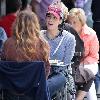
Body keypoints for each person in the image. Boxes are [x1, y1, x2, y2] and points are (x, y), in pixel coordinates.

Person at [1, 11, 51, 79]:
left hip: (12, 86)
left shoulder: (8, 43)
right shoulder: (43, 44)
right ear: (35, 25)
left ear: (16, 24)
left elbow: (4, 67)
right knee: (61, 77)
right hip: (35, 87)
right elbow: (46, 70)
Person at [41, 5, 76, 98]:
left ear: (60, 21)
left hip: (59, 73)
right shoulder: (38, 36)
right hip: (41, 73)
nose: (50, 20)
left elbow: (66, 63)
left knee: (52, 82)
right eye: (48, 16)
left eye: (54, 17)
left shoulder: (69, 38)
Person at [68, 8, 99, 100]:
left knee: (87, 74)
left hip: (88, 63)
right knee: (88, 80)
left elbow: (93, 56)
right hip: (72, 64)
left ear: (82, 22)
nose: (71, 25)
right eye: (70, 22)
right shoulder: (67, 33)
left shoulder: (91, 34)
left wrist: (81, 64)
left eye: (75, 22)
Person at [91, 0, 100, 93]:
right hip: (97, 24)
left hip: (97, 25)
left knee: (96, 56)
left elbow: (93, 8)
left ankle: (96, 88)